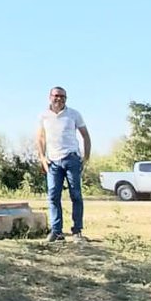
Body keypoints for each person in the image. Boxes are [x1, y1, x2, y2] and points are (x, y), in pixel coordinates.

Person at [37, 86, 91, 243]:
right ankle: (56, 232)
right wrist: (42, 157)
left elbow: (86, 136)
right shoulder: (43, 115)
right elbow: (40, 138)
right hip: (53, 161)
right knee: (53, 196)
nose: (59, 99)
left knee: (76, 195)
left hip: (71, 158)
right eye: (56, 96)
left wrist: (85, 157)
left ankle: (77, 231)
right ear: (50, 97)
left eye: (63, 96)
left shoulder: (74, 114)